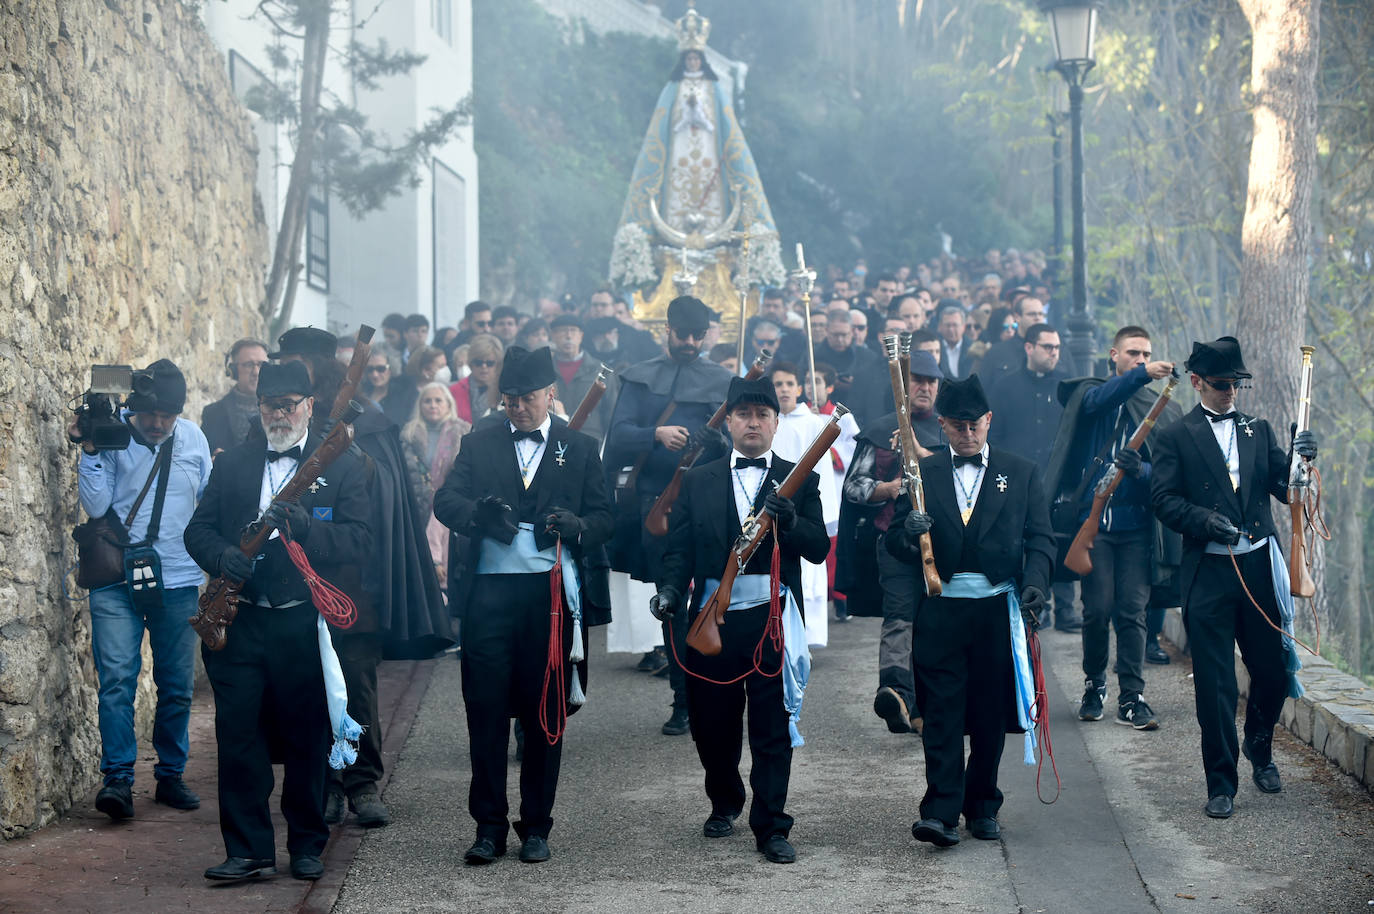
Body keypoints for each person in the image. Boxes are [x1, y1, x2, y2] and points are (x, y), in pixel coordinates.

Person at [183, 361, 373, 882]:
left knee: (307, 738)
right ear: (258, 407)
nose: (280, 413)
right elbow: (197, 532)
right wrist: (223, 558)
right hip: (241, 623)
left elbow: (361, 540)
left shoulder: (343, 467)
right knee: (239, 738)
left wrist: (310, 530)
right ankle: (247, 851)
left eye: (290, 403)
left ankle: (308, 846)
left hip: (302, 624)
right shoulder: (236, 463)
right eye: (271, 404)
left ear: (310, 406)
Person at [433, 346, 613, 864]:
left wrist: (580, 528)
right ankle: (487, 827)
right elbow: (446, 501)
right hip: (490, 595)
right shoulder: (480, 441)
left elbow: (605, 516)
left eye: (526, 399)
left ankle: (536, 825)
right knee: (485, 712)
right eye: (508, 400)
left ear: (550, 395)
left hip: (549, 597)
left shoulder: (579, 447)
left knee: (544, 712)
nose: (516, 408)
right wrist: (476, 515)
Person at [270, 327, 452, 829]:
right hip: (292, 579)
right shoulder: (278, 420)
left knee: (356, 685)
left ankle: (362, 781)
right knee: (307, 687)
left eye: (300, 364)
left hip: (354, 579)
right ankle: (323, 783)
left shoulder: (366, 424)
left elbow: (386, 500)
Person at [653, 377, 830, 865]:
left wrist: (791, 522)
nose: (753, 423)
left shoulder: (801, 478)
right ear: (728, 421)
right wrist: (669, 590)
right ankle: (724, 799)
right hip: (714, 618)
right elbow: (679, 550)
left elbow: (819, 550)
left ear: (776, 423)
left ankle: (772, 825)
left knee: (773, 725)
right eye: (744, 414)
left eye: (763, 415)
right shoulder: (698, 479)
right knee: (713, 724)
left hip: (772, 618)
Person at [1151, 337, 1318, 819]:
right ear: (1198, 383)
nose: (1231, 393)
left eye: (1237, 384)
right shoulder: (1175, 435)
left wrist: (1301, 457)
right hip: (1208, 571)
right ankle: (1220, 782)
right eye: (1222, 385)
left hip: (1258, 567)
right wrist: (1203, 520)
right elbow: (1163, 500)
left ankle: (1260, 747)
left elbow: (1287, 491)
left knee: (1271, 671)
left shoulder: (1258, 429)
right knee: (1216, 682)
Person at [884, 374, 1054, 847]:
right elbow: (895, 544)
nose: (968, 433)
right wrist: (907, 531)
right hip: (941, 610)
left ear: (989, 421)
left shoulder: (1020, 472)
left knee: (987, 714)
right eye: (957, 426)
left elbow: (1042, 539)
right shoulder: (922, 476)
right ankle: (939, 810)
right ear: (942, 426)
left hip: (997, 610)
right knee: (940, 714)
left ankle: (982, 805)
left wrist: (1036, 584)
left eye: (974, 425)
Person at [72, 359, 212, 821]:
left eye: (167, 416)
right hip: (117, 577)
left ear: (179, 413)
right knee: (116, 682)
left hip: (179, 579)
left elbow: (208, 500)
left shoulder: (193, 439)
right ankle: (118, 779)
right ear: (134, 409)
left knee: (174, 686)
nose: (157, 425)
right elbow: (95, 505)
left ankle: (170, 775)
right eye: (150, 415)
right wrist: (91, 449)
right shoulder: (113, 436)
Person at [603, 296, 731, 736]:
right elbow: (617, 438)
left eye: (699, 335)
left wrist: (716, 444)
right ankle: (682, 702)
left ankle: (720, 694)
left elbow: (744, 443)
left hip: (713, 504)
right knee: (672, 603)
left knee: (720, 599)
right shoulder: (640, 378)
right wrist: (654, 434)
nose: (691, 342)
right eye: (683, 334)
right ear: (667, 330)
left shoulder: (724, 380)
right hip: (661, 505)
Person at [1044, 326, 1178, 724]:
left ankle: (1132, 696)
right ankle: (1094, 684)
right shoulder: (1093, 394)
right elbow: (1099, 400)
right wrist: (1142, 374)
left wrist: (1142, 471)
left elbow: (1169, 471)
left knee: (1133, 612)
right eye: (1133, 353)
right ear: (1113, 355)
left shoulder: (1156, 406)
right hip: (1095, 526)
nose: (1140, 359)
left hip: (1137, 529)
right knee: (1097, 609)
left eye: (1145, 354)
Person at [840, 350, 944, 734]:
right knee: (900, 619)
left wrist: (920, 454)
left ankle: (924, 707)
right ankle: (896, 695)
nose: (925, 387)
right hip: (893, 544)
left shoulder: (951, 430)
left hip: (943, 545)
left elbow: (962, 482)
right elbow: (854, 486)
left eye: (932, 382)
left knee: (934, 626)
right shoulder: (880, 430)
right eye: (917, 380)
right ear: (902, 384)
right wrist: (891, 488)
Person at [770, 363, 838, 648]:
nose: (784, 389)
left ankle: (808, 638)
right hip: (773, 506)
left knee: (810, 575)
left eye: (789, 384)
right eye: (778, 384)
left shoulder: (814, 423)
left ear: (799, 389)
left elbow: (822, 469)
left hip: (804, 508)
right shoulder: (769, 423)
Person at [400, 382, 471, 589]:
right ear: (419, 405)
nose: (433, 405)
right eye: (427, 401)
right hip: (418, 510)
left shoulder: (463, 433)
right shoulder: (408, 435)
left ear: (448, 404)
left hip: (450, 513)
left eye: (438, 400)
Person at [550, 313, 617, 441]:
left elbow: (611, 413)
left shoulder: (601, 370)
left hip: (590, 440)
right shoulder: (545, 369)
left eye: (573, 331)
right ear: (553, 335)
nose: (568, 336)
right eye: (563, 331)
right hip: (553, 440)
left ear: (581, 335)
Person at [203, 339, 269, 457]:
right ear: (232, 370)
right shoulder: (212, 414)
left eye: (261, 364)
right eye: (249, 365)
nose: (256, 371)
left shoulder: (282, 411)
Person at [977, 296, 1048, 392]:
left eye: (1041, 314)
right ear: (1017, 317)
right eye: (1032, 314)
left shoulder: (1057, 348)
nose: (1038, 318)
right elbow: (983, 389)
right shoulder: (996, 352)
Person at [449, 333, 503, 423]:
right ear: (470, 363)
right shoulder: (453, 390)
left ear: (497, 364)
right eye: (478, 362)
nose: (484, 367)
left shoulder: (505, 391)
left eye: (490, 363)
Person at [361, 350, 418, 427]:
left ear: (391, 368)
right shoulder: (361, 391)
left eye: (381, 369)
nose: (375, 375)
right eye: (370, 369)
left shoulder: (403, 393)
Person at [935, 301, 973, 380]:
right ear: (939, 327)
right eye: (947, 325)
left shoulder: (972, 348)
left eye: (955, 325)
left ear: (963, 327)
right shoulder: (934, 348)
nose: (951, 329)